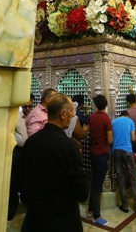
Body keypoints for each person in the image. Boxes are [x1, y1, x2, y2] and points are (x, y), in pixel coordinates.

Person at [21, 94, 90, 232]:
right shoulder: (69, 146)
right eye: (71, 111)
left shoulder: (31, 142)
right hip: (62, 221)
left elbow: (25, 183)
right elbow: (82, 193)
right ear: (63, 113)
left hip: (35, 220)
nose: (73, 115)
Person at [112, 110, 136, 214]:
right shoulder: (130, 121)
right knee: (133, 178)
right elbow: (133, 138)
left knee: (121, 178)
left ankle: (125, 206)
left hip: (116, 151)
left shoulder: (113, 122)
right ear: (127, 115)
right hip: (127, 151)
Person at [86, 94, 112, 226]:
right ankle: (96, 216)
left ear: (96, 105)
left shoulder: (92, 117)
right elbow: (110, 140)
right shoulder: (106, 119)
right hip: (102, 154)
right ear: (106, 104)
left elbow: (87, 130)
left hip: (92, 153)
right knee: (97, 185)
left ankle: (90, 209)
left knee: (94, 181)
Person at [8, 95, 33, 220]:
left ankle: (26, 201)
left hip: (30, 152)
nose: (27, 109)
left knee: (27, 177)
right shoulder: (16, 117)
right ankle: (12, 209)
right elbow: (9, 132)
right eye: (25, 106)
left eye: (29, 106)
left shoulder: (34, 117)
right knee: (14, 179)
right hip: (17, 152)